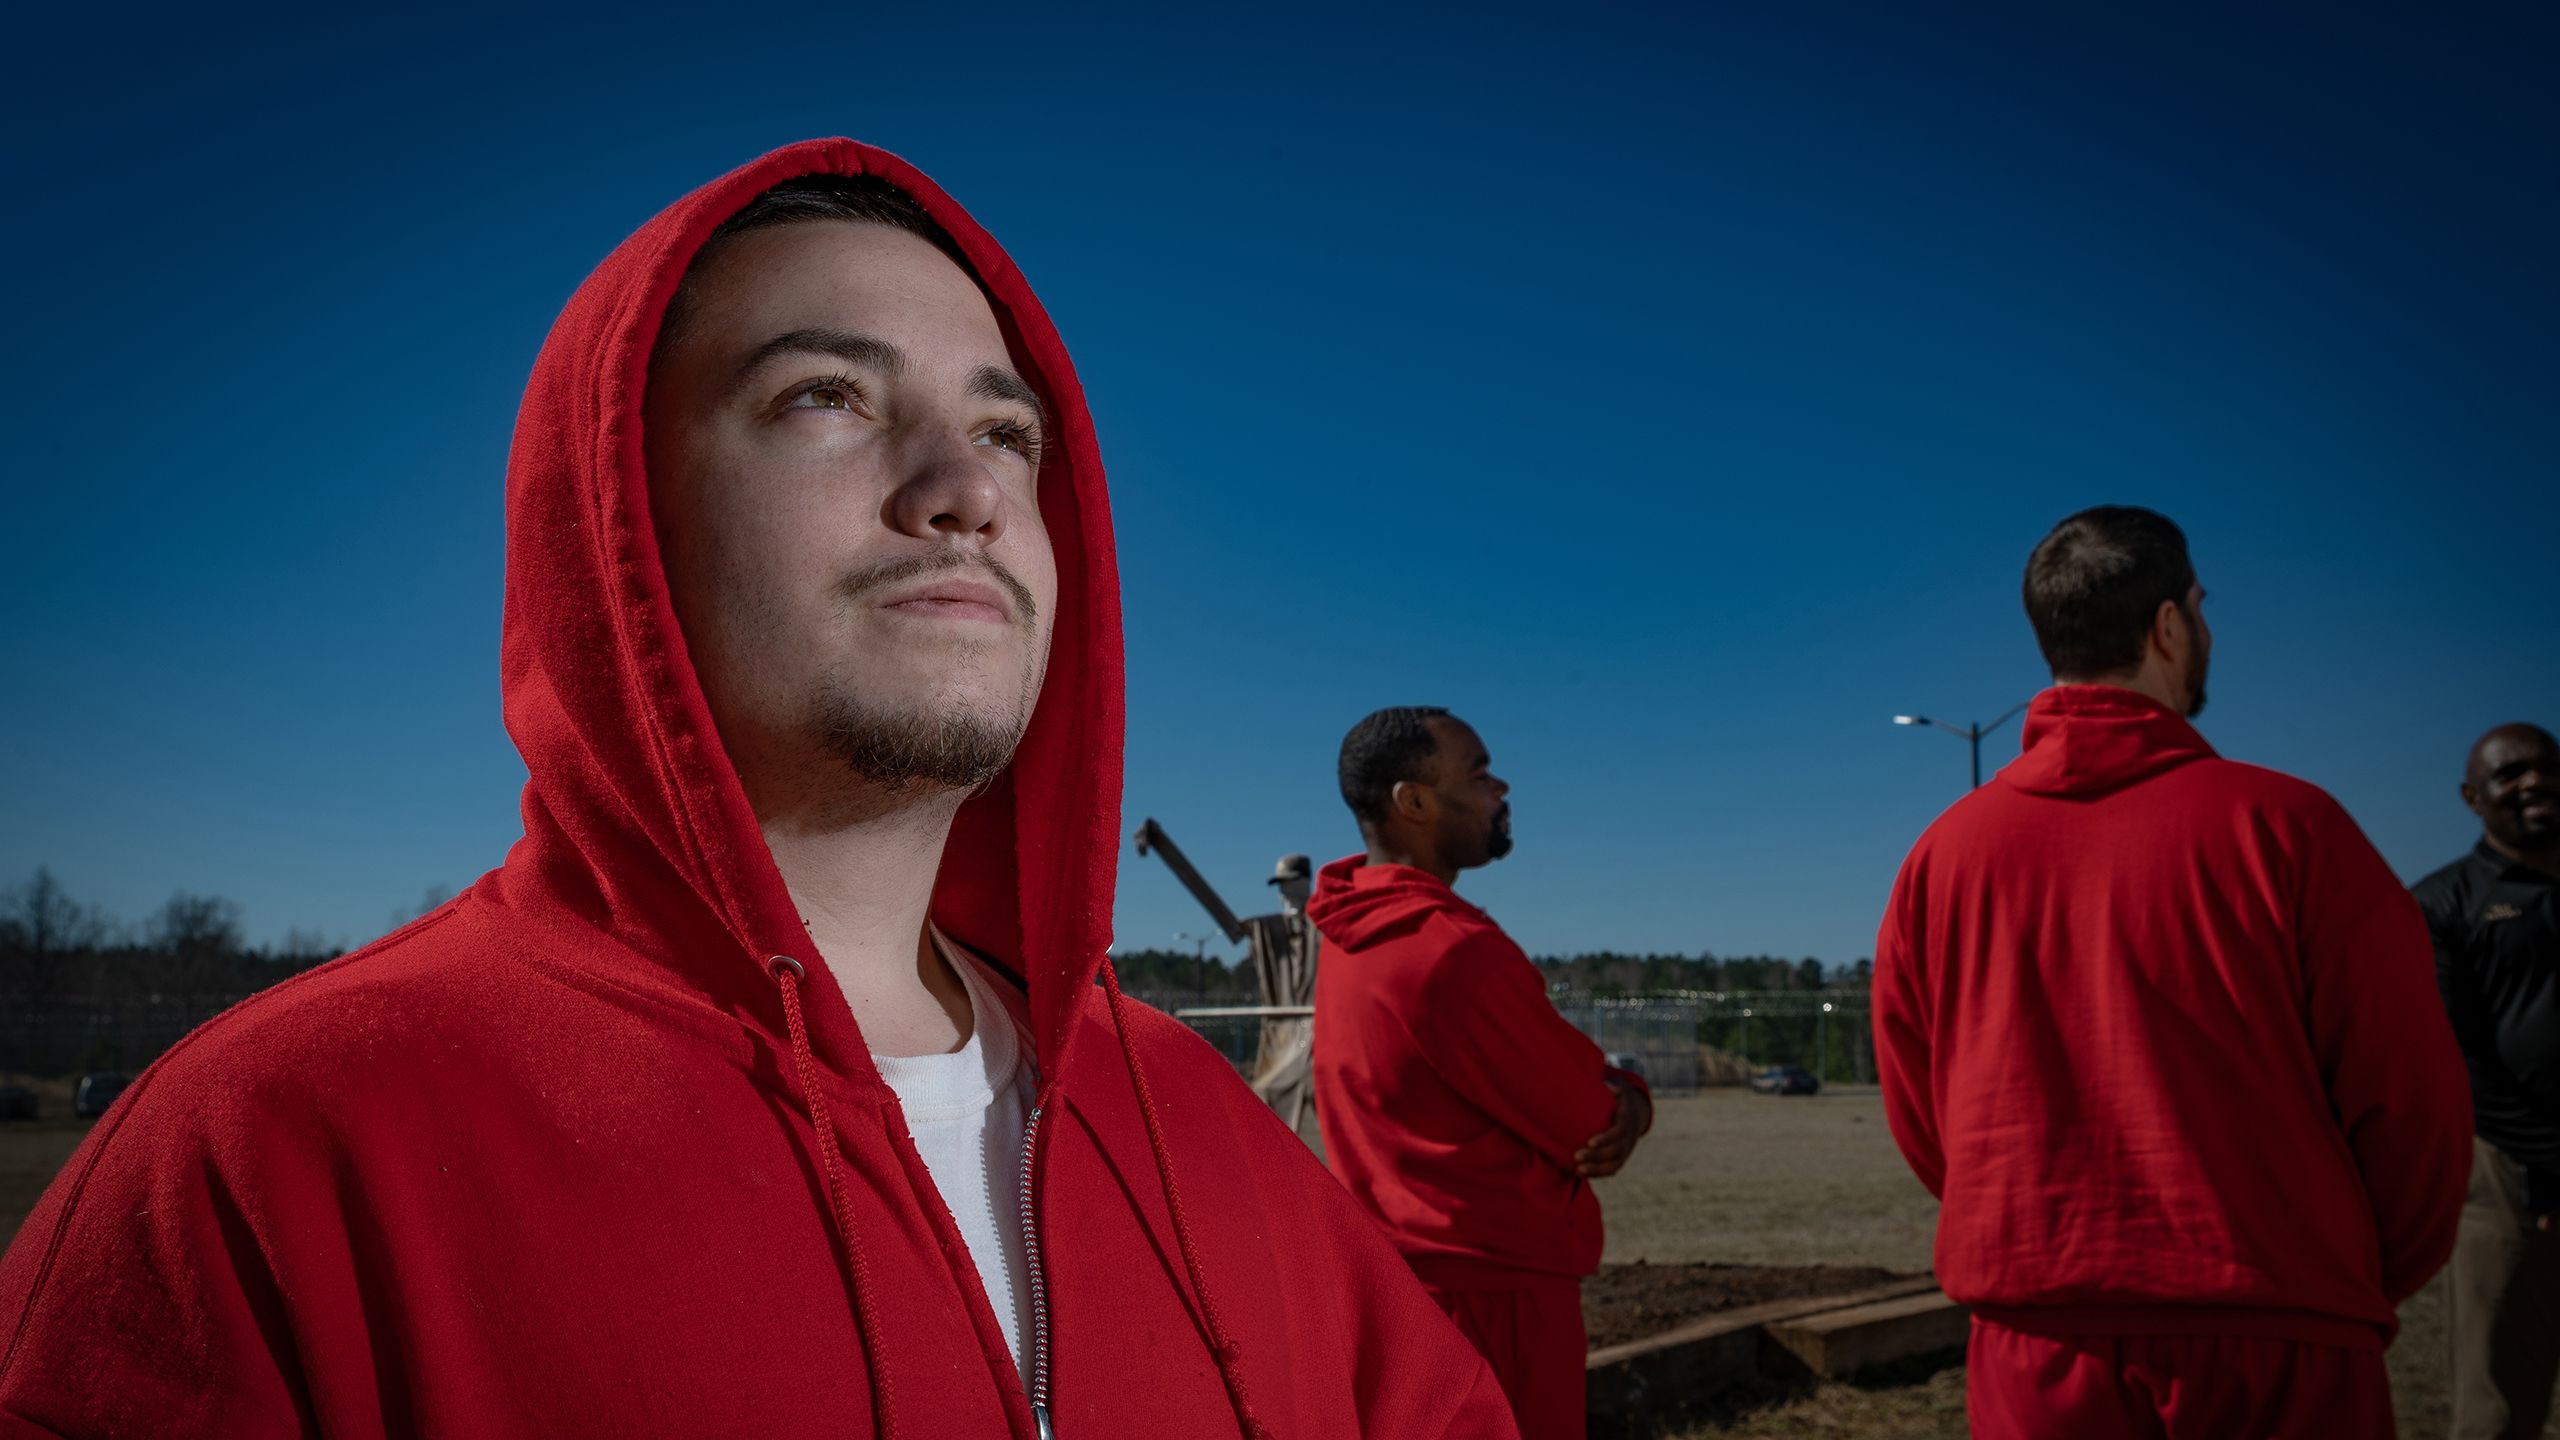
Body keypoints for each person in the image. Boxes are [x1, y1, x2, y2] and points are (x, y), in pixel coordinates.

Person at [0, 141, 1516, 1438]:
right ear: (617, 519)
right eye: (825, 399)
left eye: (1007, 433)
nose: (968, 488)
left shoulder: (1189, 1121)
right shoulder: (278, 1151)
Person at [1872, 505, 2470, 1438]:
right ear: (2166, 626)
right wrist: (2345, 1272)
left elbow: (1923, 1114)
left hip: (2037, 1341)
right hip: (2273, 1331)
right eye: (2201, 607)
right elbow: (2411, 1099)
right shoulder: (2291, 829)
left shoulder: (1941, 857)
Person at [1309, 707, 1651, 1439]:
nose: (1501, 787)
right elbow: (1589, 1119)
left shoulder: (1347, 931)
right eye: (1478, 771)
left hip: (1397, 1291)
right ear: (1416, 804)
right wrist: (1632, 1100)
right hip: (1496, 1301)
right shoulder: (1452, 951)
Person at [2418, 722, 2560, 1440]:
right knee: (2500, 1399)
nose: (2532, 782)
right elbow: (2454, 1056)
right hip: (2505, 1172)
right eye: (2509, 775)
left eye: (2545, 767)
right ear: (2473, 798)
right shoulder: (2443, 903)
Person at [1243, 854, 1321, 1131]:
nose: (1285, 891)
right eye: (1281, 885)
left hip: (1323, 1038)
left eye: (1291, 883)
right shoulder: (1270, 931)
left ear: (1306, 883)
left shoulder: (1325, 926)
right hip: (1284, 1039)